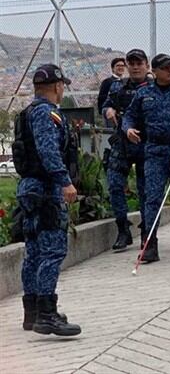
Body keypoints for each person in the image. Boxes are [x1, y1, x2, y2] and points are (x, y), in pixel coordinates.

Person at [13, 64, 81, 336]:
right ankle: (46, 314)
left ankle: (32, 312)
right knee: (52, 251)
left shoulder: (27, 112)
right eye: (62, 85)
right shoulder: (46, 113)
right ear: (57, 86)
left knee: (34, 251)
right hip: (46, 189)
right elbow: (48, 150)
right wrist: (64, 181)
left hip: (30, 187)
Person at [123, 53, 170, 263]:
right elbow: (129, 115)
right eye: (165, 68)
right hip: (154, 151)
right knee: (152, 199)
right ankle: (150, 244)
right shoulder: (143, 93)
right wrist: (128, 129)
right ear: (154, 71)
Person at [101, 49, 150, 251]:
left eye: (139, 63)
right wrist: (108, 110)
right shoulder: (117, 87)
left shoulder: (153, 87)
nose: (135, 66)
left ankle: (147, 231)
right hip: (122, 143)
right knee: (114, 186)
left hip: (146, 143)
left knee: (146, 190)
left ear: (146, 65)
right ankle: (123, 230)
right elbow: (105, 106)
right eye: (132, 63)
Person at [97, 57, 126, 122]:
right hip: (111, 114)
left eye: (122, 66)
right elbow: (101, 99)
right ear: (113, 68)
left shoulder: (127, 82)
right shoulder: (107, 82)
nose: (120, 67)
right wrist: (105, 111)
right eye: (118, 65)